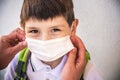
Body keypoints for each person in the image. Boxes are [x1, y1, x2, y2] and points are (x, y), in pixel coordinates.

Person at [5, 0, 103, 80]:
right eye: (34, 31)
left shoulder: (85, 69)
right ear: (23, 28)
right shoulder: (17, 62)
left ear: (72, 28)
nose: (45, 41)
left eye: (55, 30)